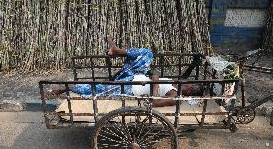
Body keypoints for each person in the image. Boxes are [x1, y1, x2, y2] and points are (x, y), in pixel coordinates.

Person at [51, 36, 203, 107]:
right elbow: (183, 75)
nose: (187, 82)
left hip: (127, 86)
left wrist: (155, 82)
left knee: (94, 88)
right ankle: (116, 50)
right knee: (147, 53)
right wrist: (152, 77)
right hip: (136, 76)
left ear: (189, 90)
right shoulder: (176, 85)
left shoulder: (175, 96)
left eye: (190, 84)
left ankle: (66, 88)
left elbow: (154, 103)